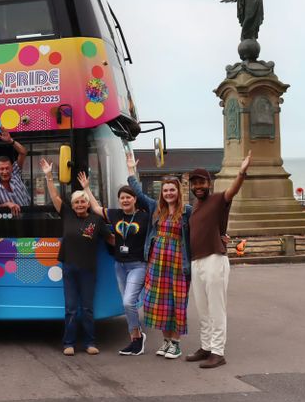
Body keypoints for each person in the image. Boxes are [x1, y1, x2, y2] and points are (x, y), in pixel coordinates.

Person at [185, 152, 252, 369]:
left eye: (202, 182)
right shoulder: (194, 207)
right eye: (194, 183)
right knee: (202, 308)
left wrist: (241, 172)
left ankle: (218, 352)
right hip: (197, 261)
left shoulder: (218, 199)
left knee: (216, 308)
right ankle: (206, 347)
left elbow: (233, 190)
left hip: (215, 258)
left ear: (209, 183)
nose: (198, 186)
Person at [40, 160, 113, 355]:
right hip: (70, 269)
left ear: (88, 204)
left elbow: (111, 239)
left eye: (83, 201)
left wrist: (131, 243)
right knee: (71, 308)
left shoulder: (96, 220)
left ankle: (90, 343)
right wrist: (49, 175)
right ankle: (68, 343)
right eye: (76, 202)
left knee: (87, 309)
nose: (80, 205)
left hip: (89, 270)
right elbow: (54, 196)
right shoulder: (67, 215)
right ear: (72, 206)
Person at [77, 171, 151, 356]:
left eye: (128, 197)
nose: (125, 201)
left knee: (128, 302)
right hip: (120, 265)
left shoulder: (144, 216)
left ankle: (137, 336)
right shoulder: (116, 214)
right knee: (128, 303)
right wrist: (86, 188)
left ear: (135, 200)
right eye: (122, 198)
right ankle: (135, 339)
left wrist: (132, 170)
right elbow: (95, 208)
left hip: (138, 265)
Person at [127, 154, 192, 360]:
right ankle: (166, 341)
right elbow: (138, 193)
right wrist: (131, 172)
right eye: (166, 190)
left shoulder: (187, 211)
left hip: (177, 262)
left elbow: (202, 227)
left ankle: (176, 343)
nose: (169, 193)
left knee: (176, 302)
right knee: (160, 302)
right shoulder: (157, 208)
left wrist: (221, 236)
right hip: (157, 262)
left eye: (172, 189)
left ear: (178, 191)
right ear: (162, 193)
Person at [0, 128, 29, 216]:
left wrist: (11, 141)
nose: (5, 172)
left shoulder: (15, 173)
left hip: (29, 215)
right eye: (1, 169)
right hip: (10, 222)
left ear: (12, 168)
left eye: (7, 168)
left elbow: (23, 152)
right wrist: (7, 204)